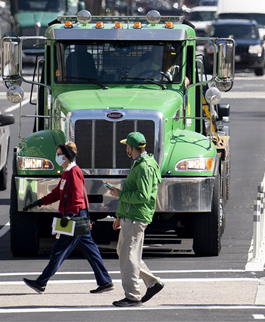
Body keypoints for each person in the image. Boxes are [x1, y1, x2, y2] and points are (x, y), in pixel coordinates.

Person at [22, 142, 113, 295]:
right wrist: (39, 202)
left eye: (59, 154)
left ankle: (41, 282)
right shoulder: (67, 172)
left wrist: (69, 214)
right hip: (76, 215)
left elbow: (78, 196)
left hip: (75, 217)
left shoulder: (73, 172)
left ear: (67, 156)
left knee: (59, 250)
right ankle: (105, 281)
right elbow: (58, 193)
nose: (56, 157)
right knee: (90, 250)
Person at [107, 131, 163, 307]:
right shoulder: (143, 163)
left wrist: (119, 194)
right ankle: (152, 283)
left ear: (131, 148)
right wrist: (120, 215)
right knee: (126, 253)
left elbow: (143, 196)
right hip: (132, 215)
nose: (126, 149)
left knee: (128, 256)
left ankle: (133, 296)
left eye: (127, 146)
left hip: (136, 216)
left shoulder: (143, 166)